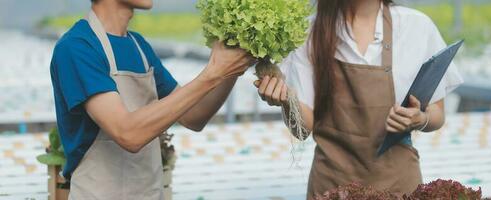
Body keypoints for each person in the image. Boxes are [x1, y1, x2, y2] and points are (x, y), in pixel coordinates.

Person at [254, 0, 463, 198]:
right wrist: (287, 100)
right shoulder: (308, 33)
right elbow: (304, 127)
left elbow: (437, 113)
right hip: (332, 187)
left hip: (400, 186)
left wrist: (420, 119)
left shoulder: (416, 26)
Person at [50, 0, 254, 199]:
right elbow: (128, 133)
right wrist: (213, 73)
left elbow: (194, 116)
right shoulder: (77, 47)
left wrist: (232, 67)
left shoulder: (138, 46)